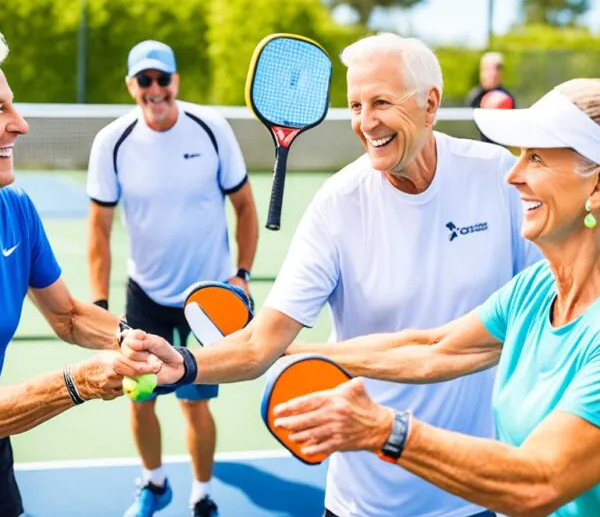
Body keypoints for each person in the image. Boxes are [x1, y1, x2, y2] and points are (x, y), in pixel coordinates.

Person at [121, 33, 541, 517]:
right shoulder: (338, 204)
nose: (366, 122)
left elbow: (525, 324)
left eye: (381, 102)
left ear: (430, 105)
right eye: (355, 105)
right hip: (363, 501)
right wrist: (186, 363)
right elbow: (263, 343)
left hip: (478, 494)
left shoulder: (499, 177)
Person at [271, 78, 600, 517]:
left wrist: (385, 430)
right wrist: (279, 352)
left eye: (536, 158)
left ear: (595, 189)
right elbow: (430, 348)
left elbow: (539, 481)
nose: (513, 175)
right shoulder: (534, 290)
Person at [86, 39, 259, 517]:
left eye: (163, 79)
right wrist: (100, 309)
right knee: (140, 399)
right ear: (132, 86)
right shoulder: (112, 142)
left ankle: (202, 495)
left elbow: (244, 206)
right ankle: (154, 483)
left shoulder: (212, 129)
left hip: (207, 301)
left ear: (176, 81)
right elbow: (98, 227)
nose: (155, 89)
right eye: (145, 80)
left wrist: (241, 276)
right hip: (144, 296)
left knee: (194, 404)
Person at [0, 35, 157, 517]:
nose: (20, 124)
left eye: (13, 105)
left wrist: (133, 340)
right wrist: (78, 384)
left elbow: (68, 316)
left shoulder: (15, 210)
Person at [467, 52, 516, 143]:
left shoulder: (507, 97)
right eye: (488, 69)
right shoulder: (474, 96)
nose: (493, 73)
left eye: (497, 68)